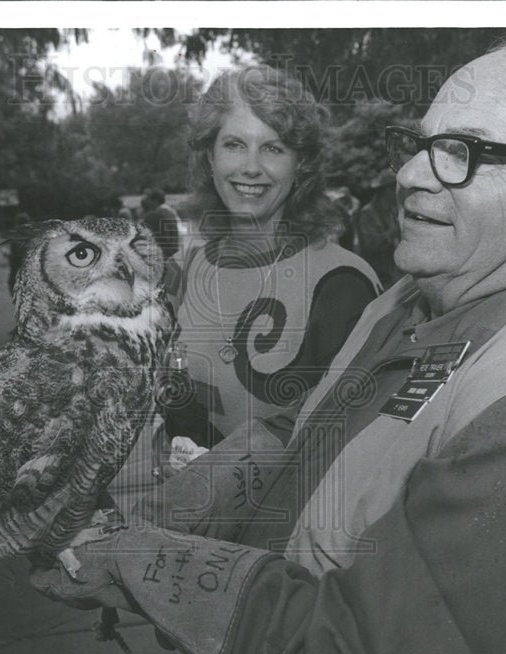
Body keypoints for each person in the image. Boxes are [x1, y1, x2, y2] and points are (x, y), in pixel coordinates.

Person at [35, 39, 506, 654]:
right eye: (420, 144)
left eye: (466, 152)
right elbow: (317, 428)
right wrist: (181, 505)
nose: (409, 173)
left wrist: (151, 565)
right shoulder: (415, 296)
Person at [161, 65, 381, 450]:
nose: (251, 167)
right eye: (234, 145)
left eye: (273, 148)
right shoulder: (180, 271)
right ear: (210, 157)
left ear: (301, 165)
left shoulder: (343, 283)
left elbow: (351, 441)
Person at [355, 167, 401, 287]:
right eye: (395, 189)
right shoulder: (368, 214)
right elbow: (369, 246)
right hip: (377, 276)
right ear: (386, 191)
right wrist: (393, 232)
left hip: (391, 274)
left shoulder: (391, 211)